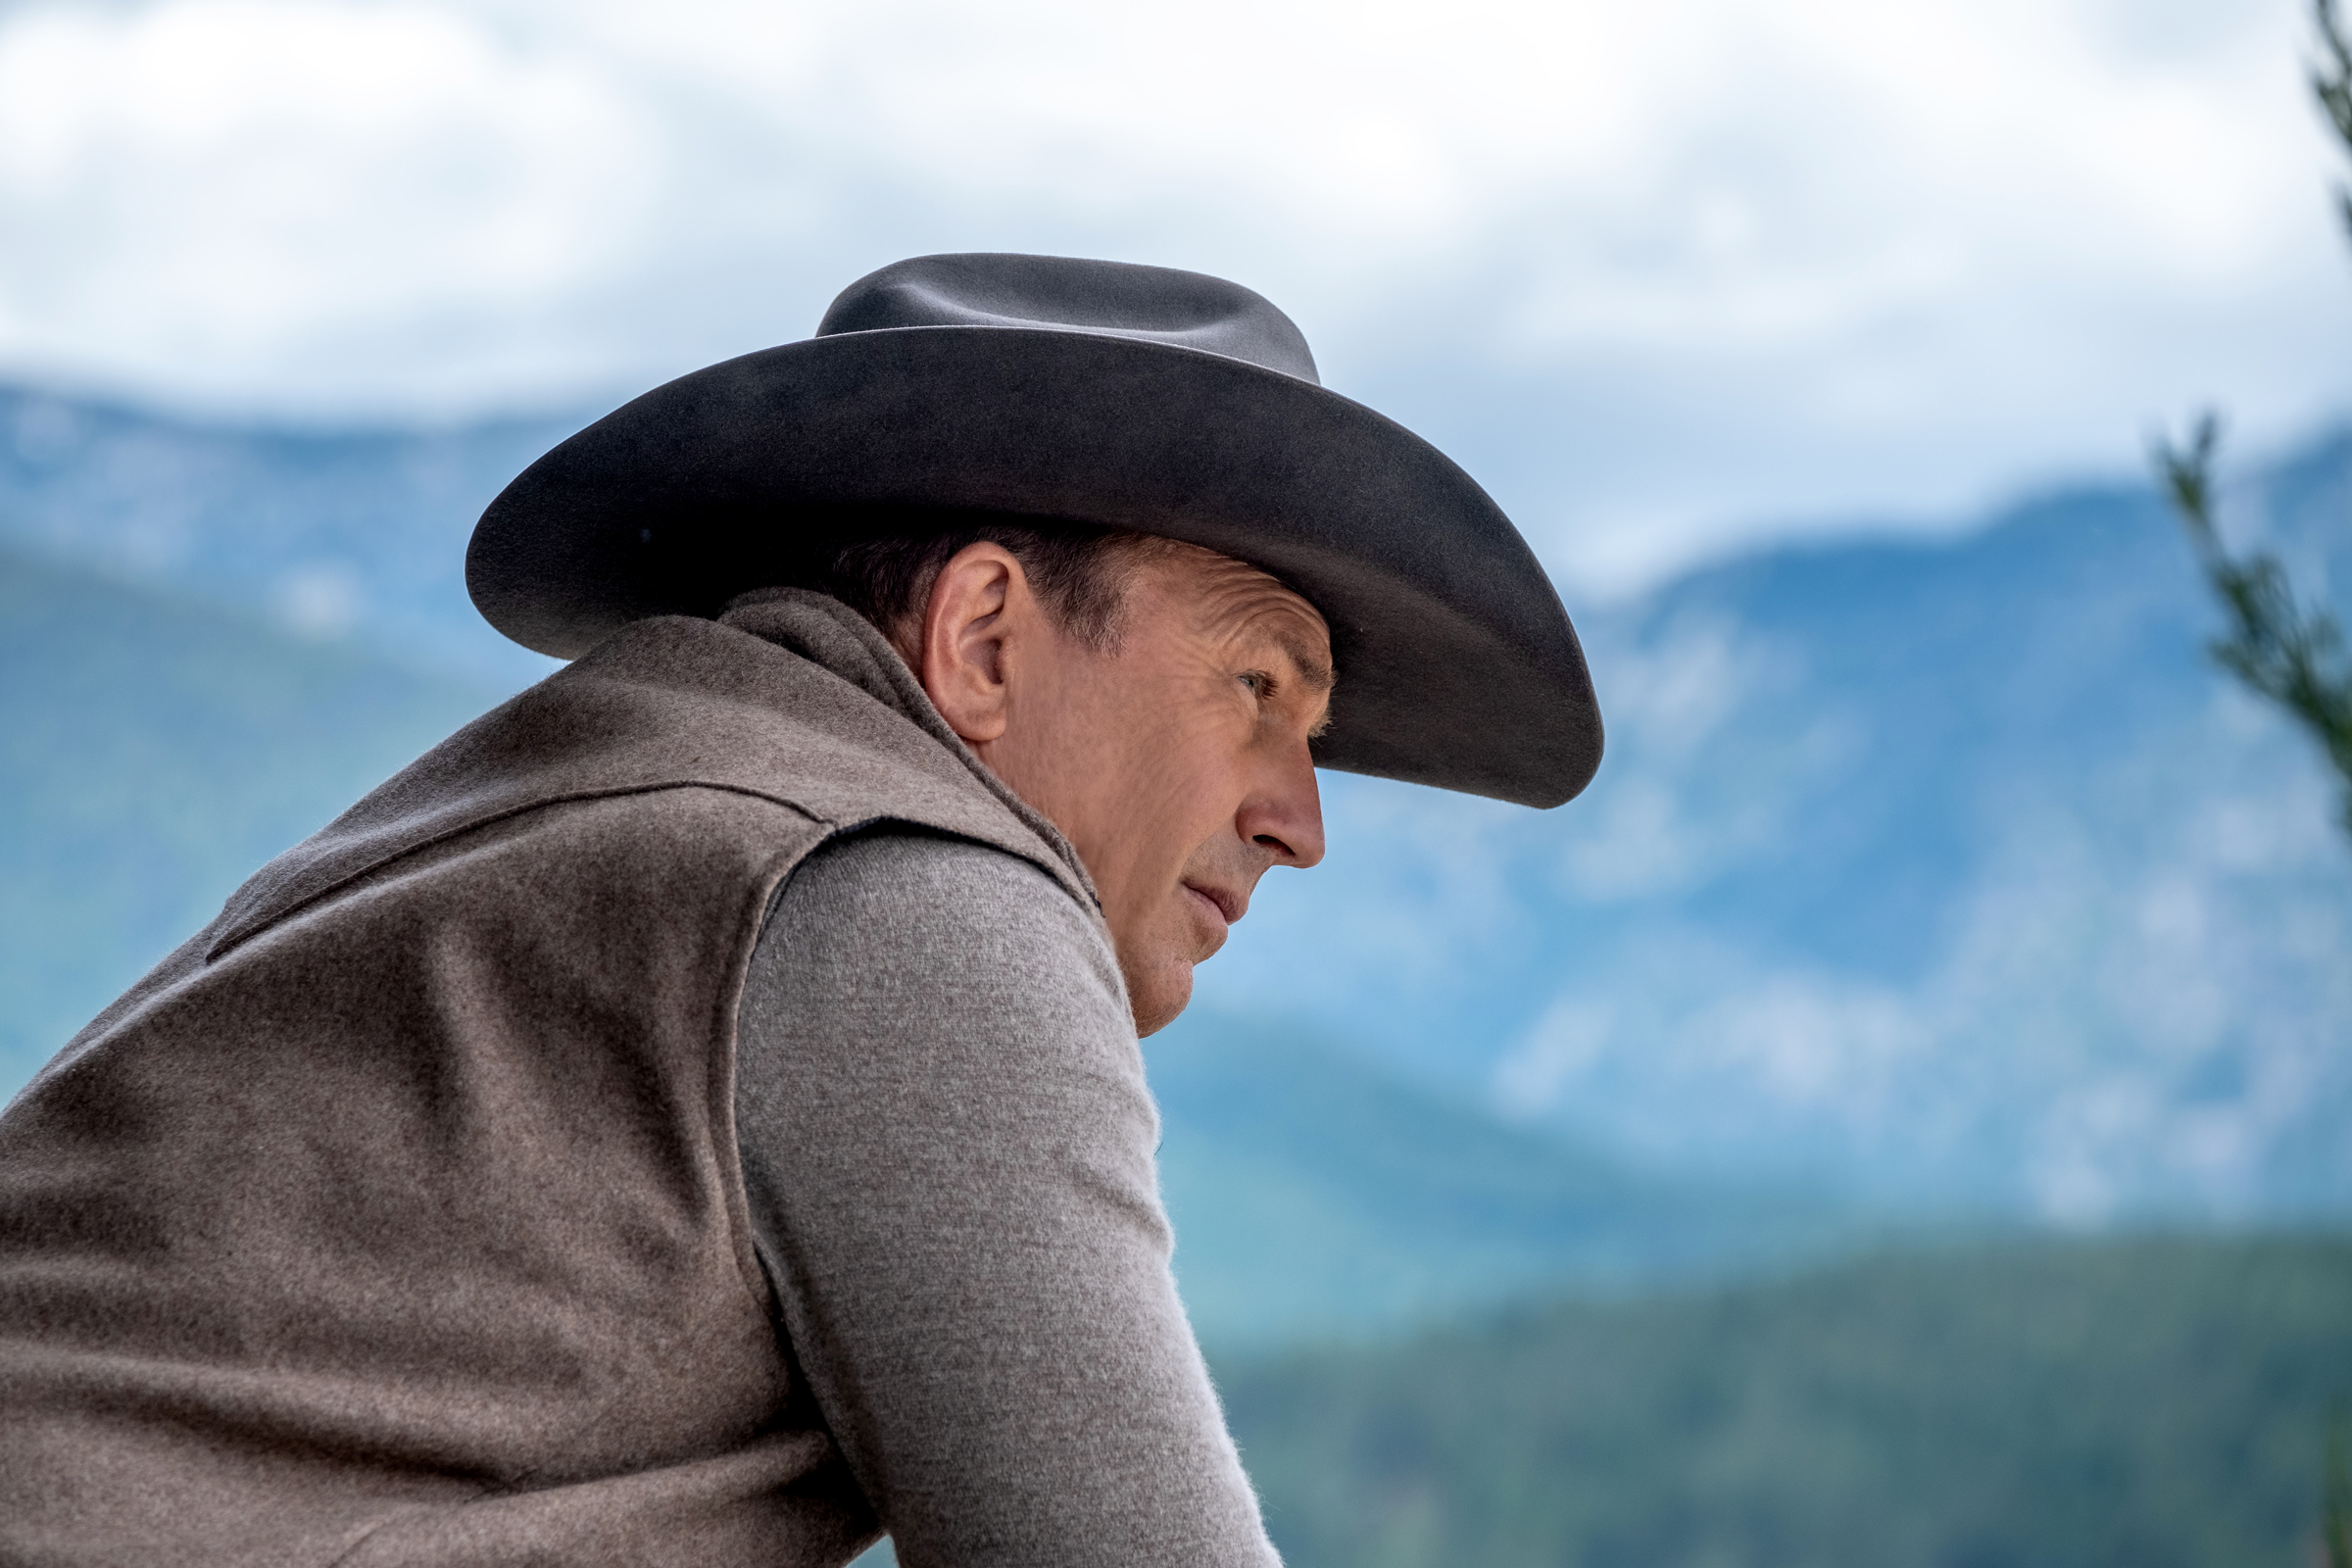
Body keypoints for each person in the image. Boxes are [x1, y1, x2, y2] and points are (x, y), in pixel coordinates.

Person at [0, 254, 1601, 1565]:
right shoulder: (909, 894)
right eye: (1256, 687)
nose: (1300, 821)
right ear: (983, 640)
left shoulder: (644, 799)